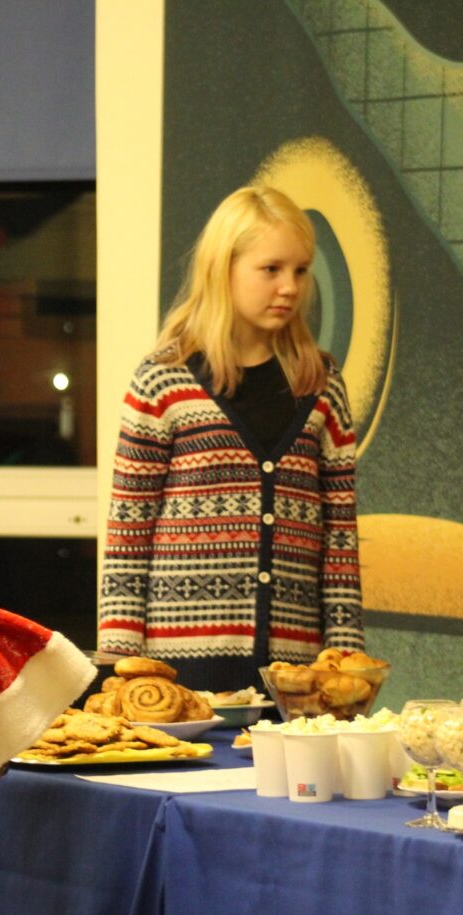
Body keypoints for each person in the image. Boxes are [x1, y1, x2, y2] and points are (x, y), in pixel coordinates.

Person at [97, 185, 364, 691]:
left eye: (300, 270)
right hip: (179, 677)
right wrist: (121, 672)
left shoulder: (321, 384)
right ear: (224, 268)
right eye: (271, 269)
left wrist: (347, 662)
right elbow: (129, 539)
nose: (289, 287)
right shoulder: (163, 380)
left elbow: (340, 544)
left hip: (294, 679)